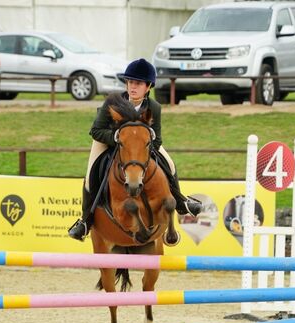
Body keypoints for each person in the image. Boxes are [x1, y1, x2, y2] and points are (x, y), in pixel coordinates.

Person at [68, 58, 202, 241]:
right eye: (130, 82)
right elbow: (96, 131)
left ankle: (181, 202)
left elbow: (158, 138)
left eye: (138, 83)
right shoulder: (112, 102)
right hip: (108, 140)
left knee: (169, 164)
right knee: (90, 174)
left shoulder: (153, 107)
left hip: (142, 146)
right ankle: (85, 221)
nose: (133, 87)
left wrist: (142, 148)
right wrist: (115, 138)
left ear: (148, 87)